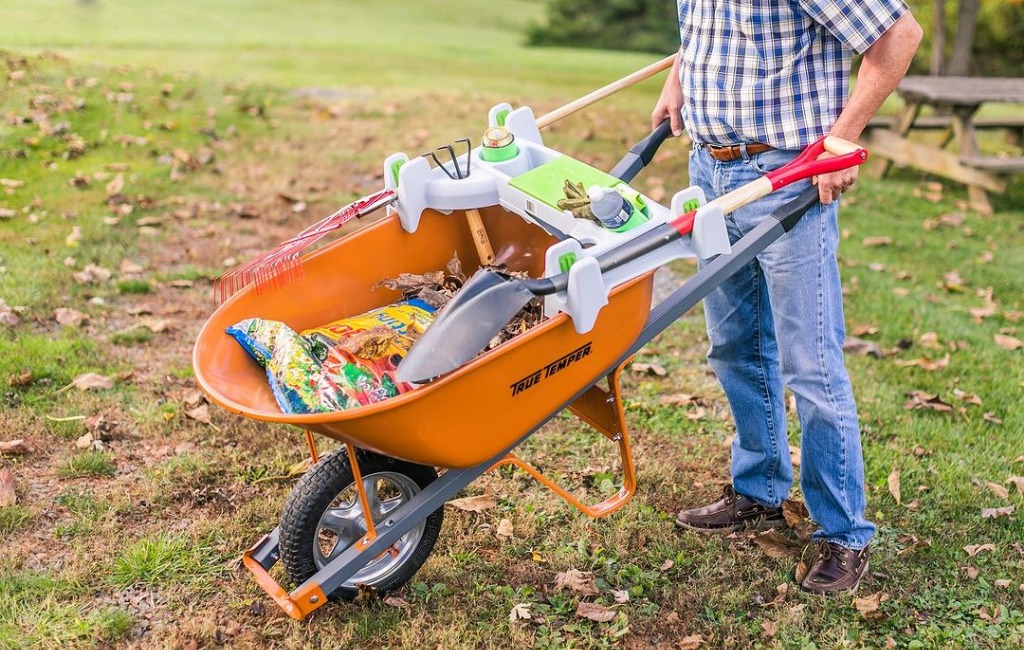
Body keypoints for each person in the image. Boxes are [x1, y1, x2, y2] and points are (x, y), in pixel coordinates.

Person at [652, 1, 922, 594]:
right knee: (735, 348)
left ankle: (844, 533)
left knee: (812, 365)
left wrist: (841, 139)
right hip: (711, 172)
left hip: (787, 173)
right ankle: (758, 490)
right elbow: (705, 33)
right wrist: (678, 79)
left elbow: (899, 36)